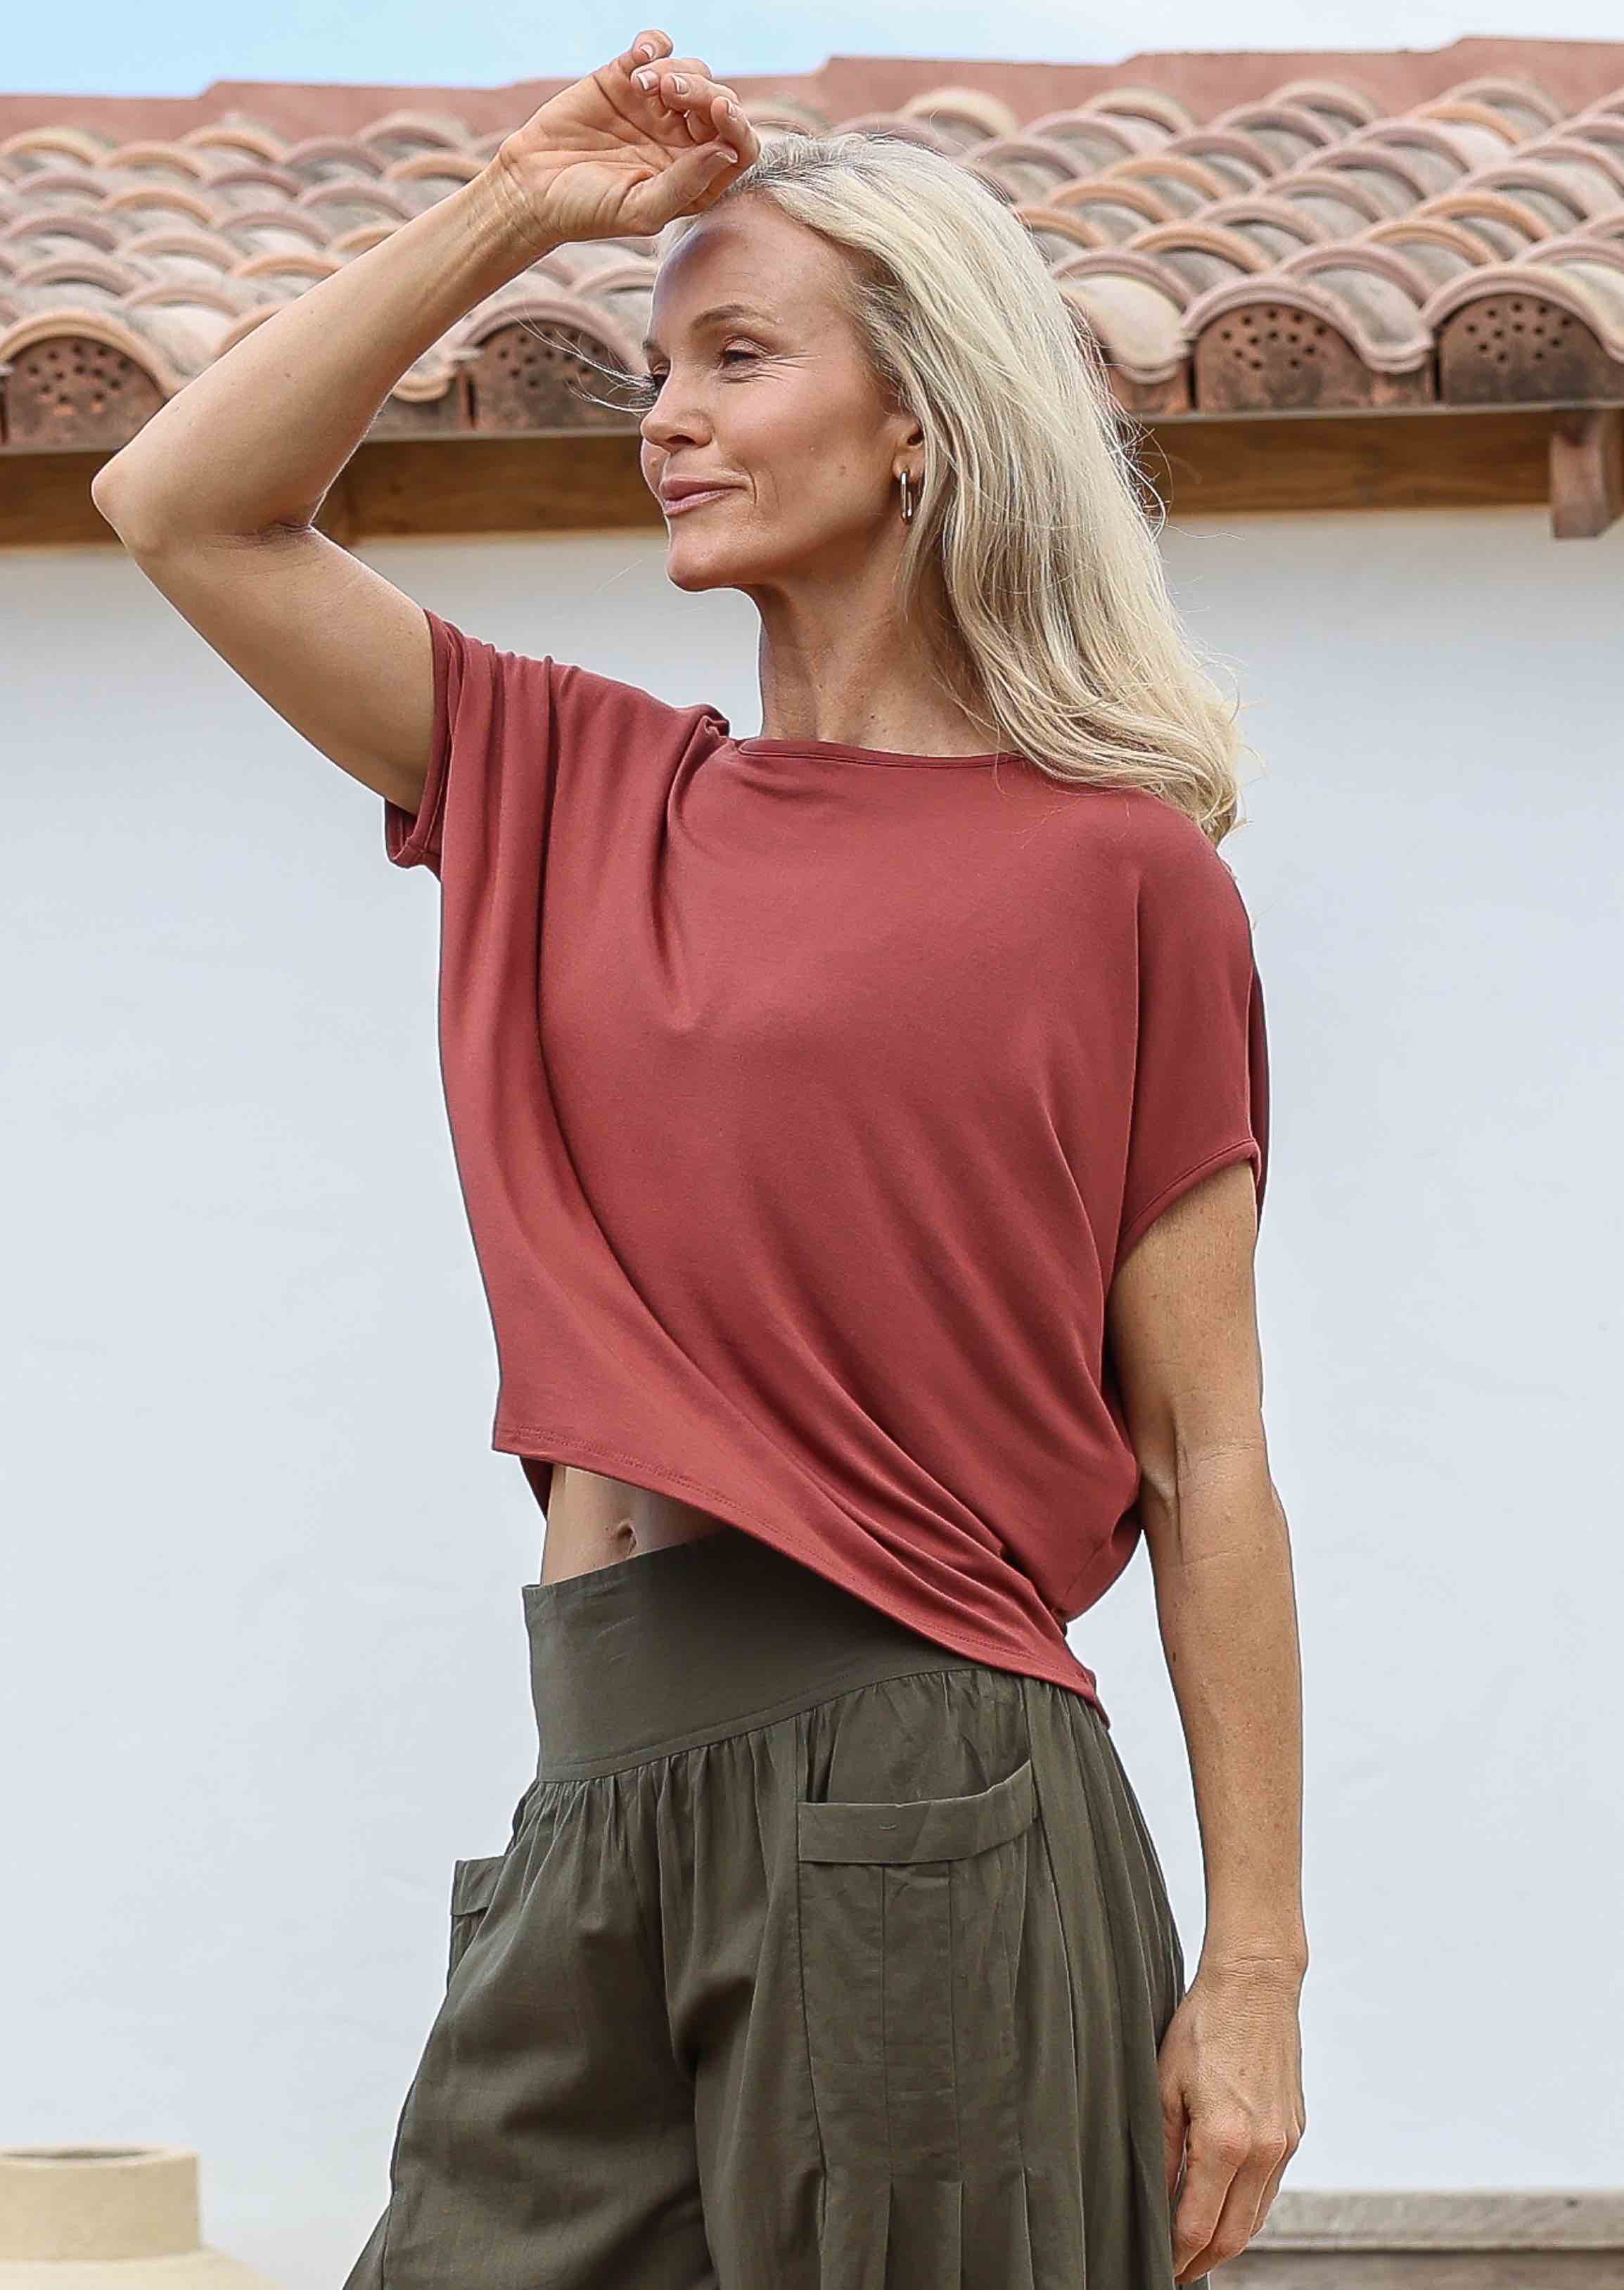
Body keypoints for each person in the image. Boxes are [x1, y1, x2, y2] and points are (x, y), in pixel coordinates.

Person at [91, 25, 1308, 2287]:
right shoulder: (572, 783)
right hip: (598, 1800)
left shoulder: (1121, 883)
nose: (667, 417)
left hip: (928, 1796)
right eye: (655, 365)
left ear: (924, 411)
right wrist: (519, 214)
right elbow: (181, 507)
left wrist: (1256, 1974)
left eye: (737, 357)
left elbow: (1206, 1448)